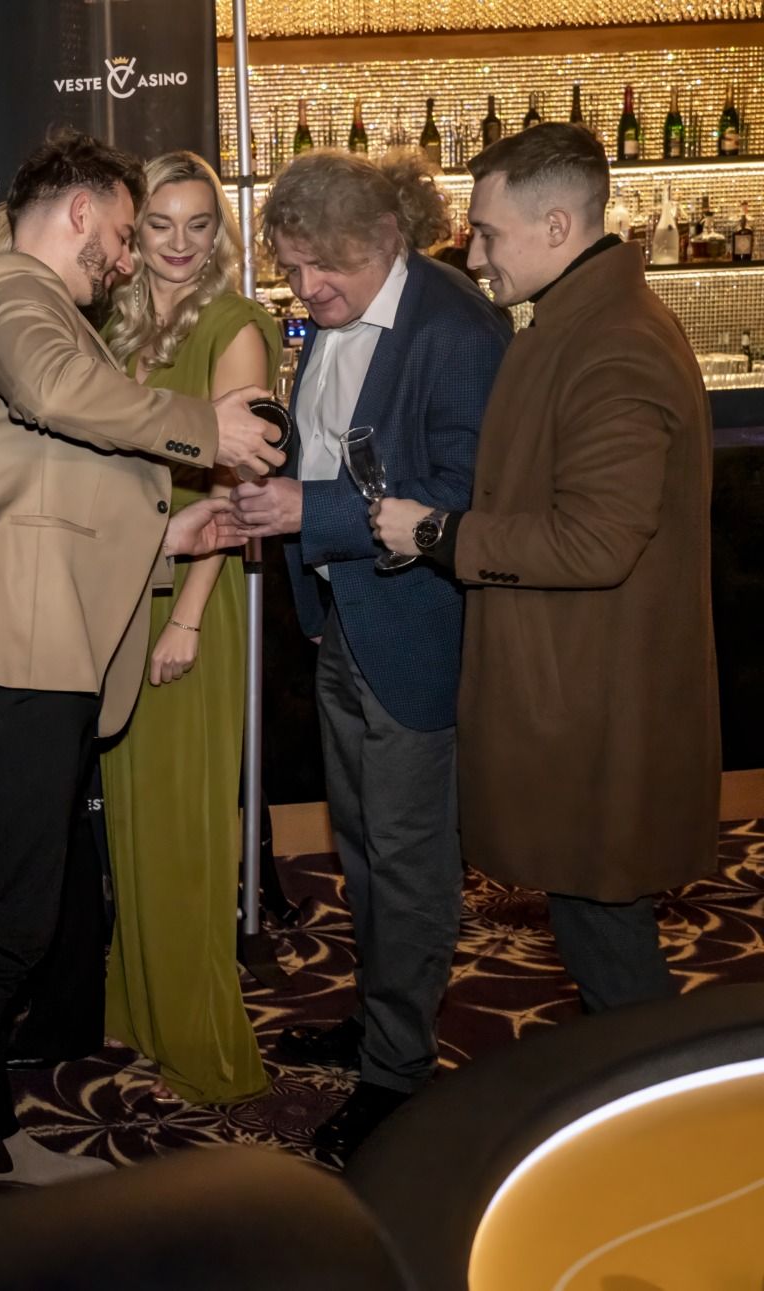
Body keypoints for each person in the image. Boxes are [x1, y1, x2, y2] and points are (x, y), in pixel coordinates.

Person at [0, 129, 281, 1222]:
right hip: (11, 654)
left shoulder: (25, 305)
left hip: (17, 645)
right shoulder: (16, 289)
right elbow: (58, 392)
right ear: (79, 212)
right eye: (121, 233)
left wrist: (174, 532)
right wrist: (205, 427)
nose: (126, 256)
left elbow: (46, 487)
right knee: (7, 932)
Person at [370, 123, 718, 1015]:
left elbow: (596, 541)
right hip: (580, 695)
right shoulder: (582, 323)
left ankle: (652, 1102)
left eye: (489, 233)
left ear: (558, 226)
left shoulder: (614, 343)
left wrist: (438, 532)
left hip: (597, 706)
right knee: (596, 929)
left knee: (613, 955)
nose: (473, 255)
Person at [230, 149, 510, 1161]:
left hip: (414, 629)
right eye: (291, 268)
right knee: (359, 845)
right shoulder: (338, 314)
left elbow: (461, 496)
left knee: (407, 859)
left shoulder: (453, 329)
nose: (304, 290)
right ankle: (378, 1018)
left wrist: (306, 510)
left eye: (323, 267)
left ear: (387, 237)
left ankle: (397, 1071)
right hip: (343, 616)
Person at [99, 151, 282, 1106]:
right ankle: (143, 1010)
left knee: (188, 826)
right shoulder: (117, 322)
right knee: (135, 819)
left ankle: (205, 1040)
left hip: (191, 594)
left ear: (220, 233)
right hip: (127, 584)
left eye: (198, 224)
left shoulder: (233, 327)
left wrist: (192, 619)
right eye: (160, 224)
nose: (179, 243)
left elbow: (236, 482)